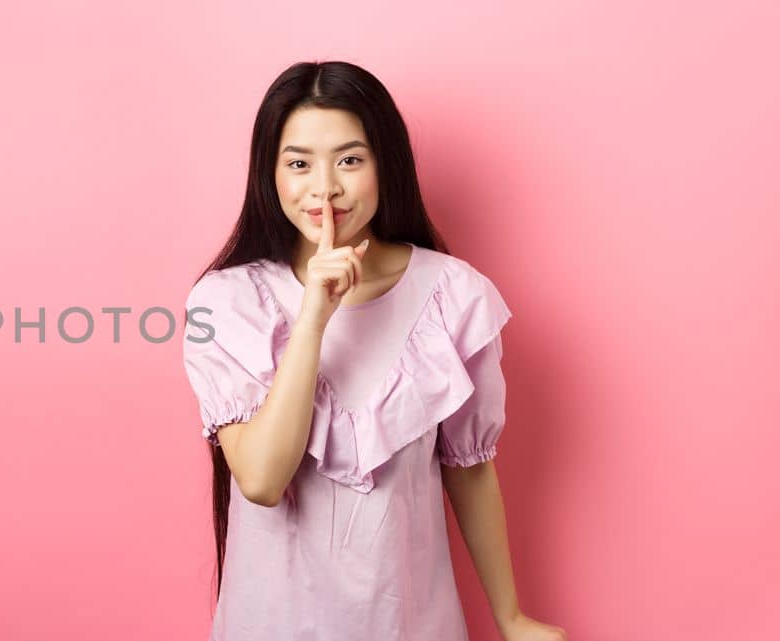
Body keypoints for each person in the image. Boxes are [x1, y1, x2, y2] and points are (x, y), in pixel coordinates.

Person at [181, 61, 567, 641]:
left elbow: (471, 470)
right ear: (270, 173)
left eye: (350, 160)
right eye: (298, 163)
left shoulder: (453, 296)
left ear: (386, 166)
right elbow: (261, 479)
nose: (325, 187)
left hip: (411, 623)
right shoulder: (228, 301)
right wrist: (313, 317)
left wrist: (509, 617)